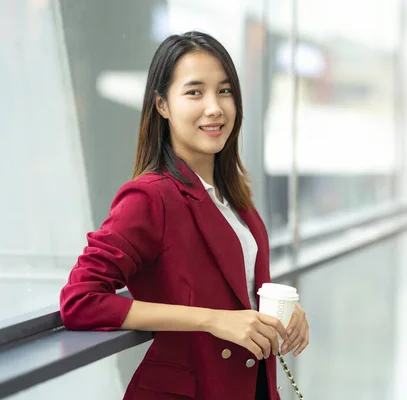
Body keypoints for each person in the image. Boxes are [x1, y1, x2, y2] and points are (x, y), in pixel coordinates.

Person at [60, 31, 310, 400]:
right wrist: (212, 320)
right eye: (195, 92)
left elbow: (236, 295)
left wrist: (287, 314)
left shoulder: (234, 197)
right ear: (162, 105)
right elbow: (80, 300)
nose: (215, 107)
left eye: (224, 91)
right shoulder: (150, 197)